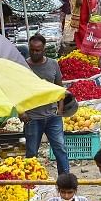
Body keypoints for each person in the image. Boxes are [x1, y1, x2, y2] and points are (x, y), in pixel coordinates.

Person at [21, 34, 70, 174]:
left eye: (38, 50)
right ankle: (31, 182)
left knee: (60, 148)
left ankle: (65, 178)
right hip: (32, 117)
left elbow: (60, 89)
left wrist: (60, 109)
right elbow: (17, 90)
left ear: (44, 50)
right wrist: (21, 112)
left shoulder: (53, 64)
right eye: (32, 50)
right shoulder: (24, 66)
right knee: (31, 153)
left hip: (52, 116)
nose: (35, 53)